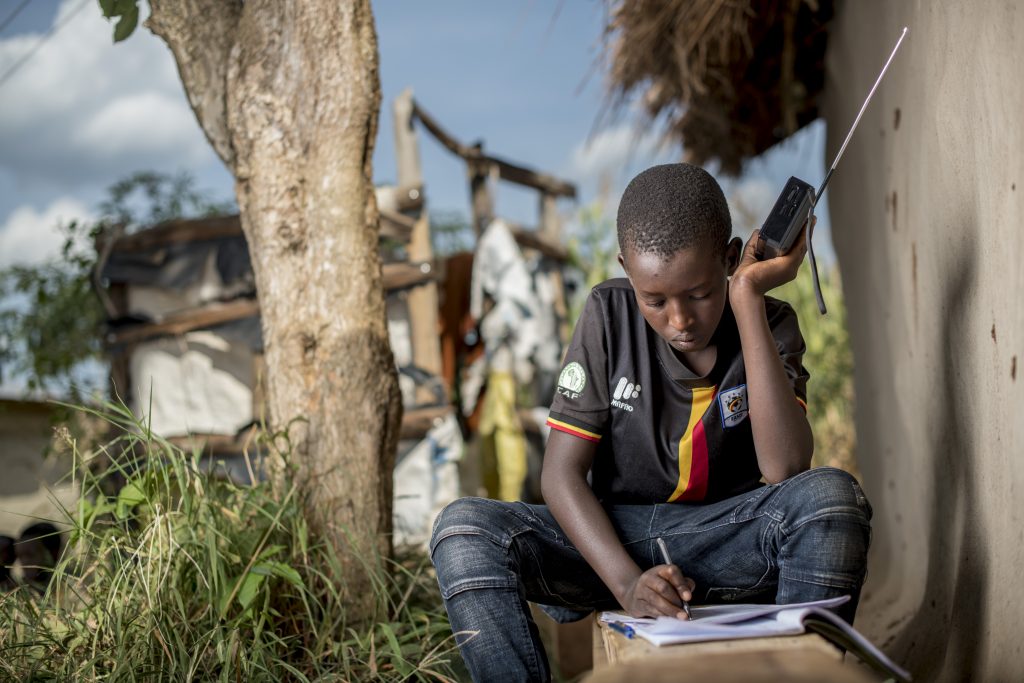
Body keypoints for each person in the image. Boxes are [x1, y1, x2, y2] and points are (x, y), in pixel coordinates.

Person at [430, 163, 872, 682]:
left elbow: (785, 466)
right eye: (655, 300)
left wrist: (747, 299)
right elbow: (560, 476)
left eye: (701, 294)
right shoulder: (607, 315)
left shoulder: (769, 324)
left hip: (730, 538)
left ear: (730, 258)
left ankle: (796, 674)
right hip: (618, 543)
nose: (679, 321)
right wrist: (627, 585)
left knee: (833, 500)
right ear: (626, 270)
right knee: (462, 530)